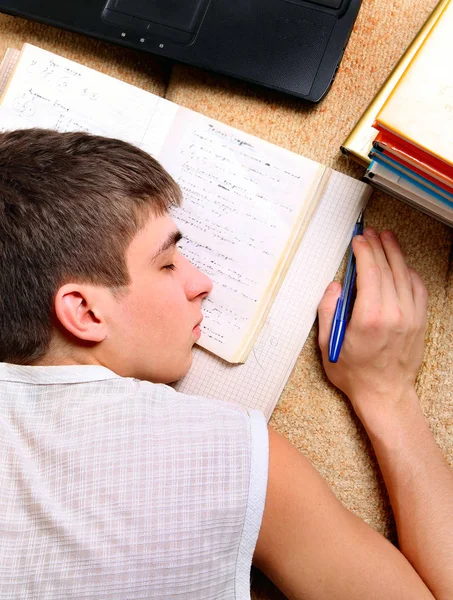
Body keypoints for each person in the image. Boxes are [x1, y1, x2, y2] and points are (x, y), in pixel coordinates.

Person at [0, 128, 452, 600]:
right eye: (168, 263)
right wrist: (388, 396)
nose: (202, 282)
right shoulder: (225, 454)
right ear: (85, 312)